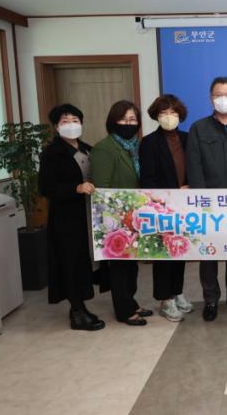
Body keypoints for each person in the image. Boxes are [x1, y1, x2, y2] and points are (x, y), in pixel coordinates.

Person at [186, 76, 227, 321]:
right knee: (209, 253)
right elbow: (194, 165)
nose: (224, 99)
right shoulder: (198, 128)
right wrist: (201, 198)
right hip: (209, 203)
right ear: (211, 98)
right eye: (218, 95)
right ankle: (211, 299)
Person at [39, 104, 105, 331]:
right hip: (66, 219)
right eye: (65, 121)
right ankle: (77, 312)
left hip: (88, 214)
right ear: (56, 126)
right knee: (70, 262)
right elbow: (46, 188)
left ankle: (80, 306)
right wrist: (75, 188)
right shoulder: (52, 153)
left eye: (75, 120)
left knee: (84, 262)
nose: (71, 125)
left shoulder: (88, 150)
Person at [90, 100, 152, 326]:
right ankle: (124, 310)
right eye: (123, 119)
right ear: (112, 121)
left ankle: (131, 302)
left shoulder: (136, 146)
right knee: (119, 265)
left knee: (131, 263)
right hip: (115, 217)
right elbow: (102, 188)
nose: (128, 123)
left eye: (133, 119)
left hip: (134, 216)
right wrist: (116, 215)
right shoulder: (104, 148)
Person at [139, 94, 194, 322]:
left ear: (180, 115)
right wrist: (167, 195)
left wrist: (190, 186)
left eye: (173, 112)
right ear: (156, 116)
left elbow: (194, 167)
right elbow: (147, 178)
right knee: (163, 253)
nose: (169, 117)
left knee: (179, 249)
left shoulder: (188, 138)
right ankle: (165, 299)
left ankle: (177, 292)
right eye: (164, 113)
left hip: (184, 204)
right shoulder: (149, 142)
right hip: (161, 206)